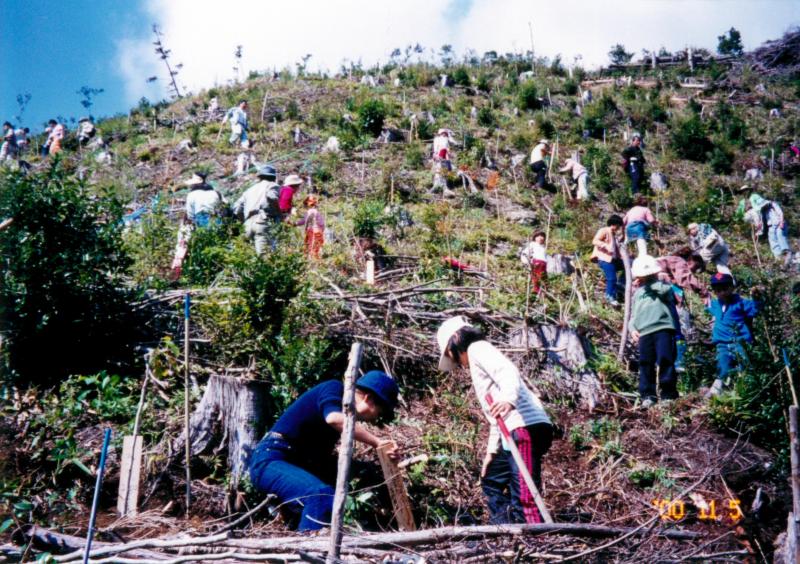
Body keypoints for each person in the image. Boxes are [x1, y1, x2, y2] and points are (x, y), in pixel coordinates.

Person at [249, 371, 400, 531]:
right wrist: (377, 442)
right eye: (379, 412)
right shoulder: (334, 388)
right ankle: (310, 550)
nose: (375, 419)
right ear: (368, 399)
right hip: (272, 459)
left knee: (365, 473)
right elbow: (333, 418)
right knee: (320, 495)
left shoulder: (344, 412)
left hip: (300, 462)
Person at [436, 316, 552, 524]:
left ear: (456, 338)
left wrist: (508, 399)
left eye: (450, 354)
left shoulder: (478, 348)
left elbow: (507, 371)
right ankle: (503, 529)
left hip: (525, 426)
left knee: (524, 494)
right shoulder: (475, 361)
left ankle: (533, 537)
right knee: (491, 480)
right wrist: (491, 452)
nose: (455, 362)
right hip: (511, 428)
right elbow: (495, 417)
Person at [629, 256, 678, 408]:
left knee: (665, 360)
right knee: (645, 363)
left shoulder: (663, 286)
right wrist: (632, 329)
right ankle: (647, 395)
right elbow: (633, 314)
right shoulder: (637, 293)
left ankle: (668, 394)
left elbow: (667, 293)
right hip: (644, 331)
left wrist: (652, 280)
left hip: (663, 327)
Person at [705, 273, 761, 398]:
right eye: (718, 290)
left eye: (725, 288)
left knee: (744, 367)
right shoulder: (714, 304)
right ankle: (720, 392)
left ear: (732, 287)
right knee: (723, 367)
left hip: (740, 341)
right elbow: (707, 307)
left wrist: (757, 299)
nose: (722, 292)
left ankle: (746, 392)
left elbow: (755, 309)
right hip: (722, 344)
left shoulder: (741, 302)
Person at [656, 253, 709, 373]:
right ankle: (679, 361)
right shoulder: (679, 261)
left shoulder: (667, 265)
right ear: (690, 261)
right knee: (677, 329)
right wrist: (703, 292)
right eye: (694, 268)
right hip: (664, 299)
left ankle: (670, 360)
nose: (693, 271)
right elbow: (685, 278)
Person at [232, 165, 282, 254]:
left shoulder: (250, 189)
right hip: (262, 222)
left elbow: (237, 207)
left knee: (248, 256)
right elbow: (272, 197)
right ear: (274, 177)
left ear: (259, 177)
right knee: (264, 256)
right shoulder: (273, 186)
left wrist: (243, 220)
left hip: (247, 225)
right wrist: (279, 213)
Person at [749, 194, 792, 267]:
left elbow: (780, 213)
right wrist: (758, 232)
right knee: (772, 241)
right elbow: (762, 223)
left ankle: (786, 253)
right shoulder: (762, 211)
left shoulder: (772, 204)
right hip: (771, 226)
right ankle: (778, 259)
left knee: (780, 235)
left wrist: (781, 222)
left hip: (779, 223)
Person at [591, 215, 625, 307]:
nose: (618, 228)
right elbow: (595, 241)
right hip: (604, 259)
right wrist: (605, 246)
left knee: (627, 267)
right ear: (614, 224)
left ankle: (620, 285)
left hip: (613, 260)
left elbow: (616, 249)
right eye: (618, 225)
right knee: (611, 278)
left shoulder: (613, 234)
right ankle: (609, 297)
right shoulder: (604, 230)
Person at [296, 195, 326, 260]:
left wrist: (295, 223)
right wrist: (321, 230)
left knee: (311, 247)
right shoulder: (317, 212)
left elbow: (304, 220)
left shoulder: (310, 212)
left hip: (312, 231)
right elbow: (322, 224)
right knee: (317, 247)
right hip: (318, 231)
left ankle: (313, 262)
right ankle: (316, 261)